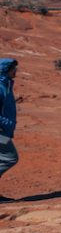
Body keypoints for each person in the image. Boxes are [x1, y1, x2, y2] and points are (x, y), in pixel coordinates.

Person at [0, 56, 17, 195]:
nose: (16, 71)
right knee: (10, 158)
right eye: (13, 69)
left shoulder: (6, 85)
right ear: (6, 70)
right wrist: (6, 124)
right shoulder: (0, 88)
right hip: (0, 131)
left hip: (4, 130)